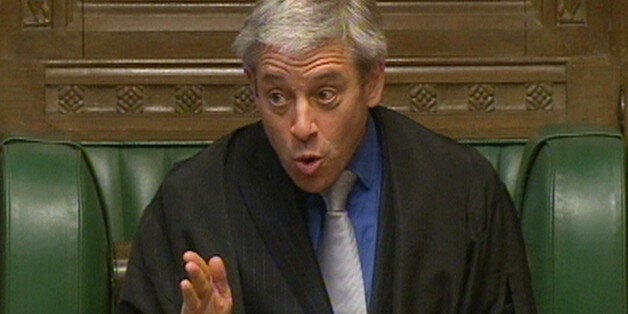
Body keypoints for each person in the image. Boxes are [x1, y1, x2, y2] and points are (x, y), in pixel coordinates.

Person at [117, 1, 536, 313]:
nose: (301, 126)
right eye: (277, 96)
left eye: (325, 95)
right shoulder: (193, 202)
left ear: (373, 82)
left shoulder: (462, 193)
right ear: (252, 86)